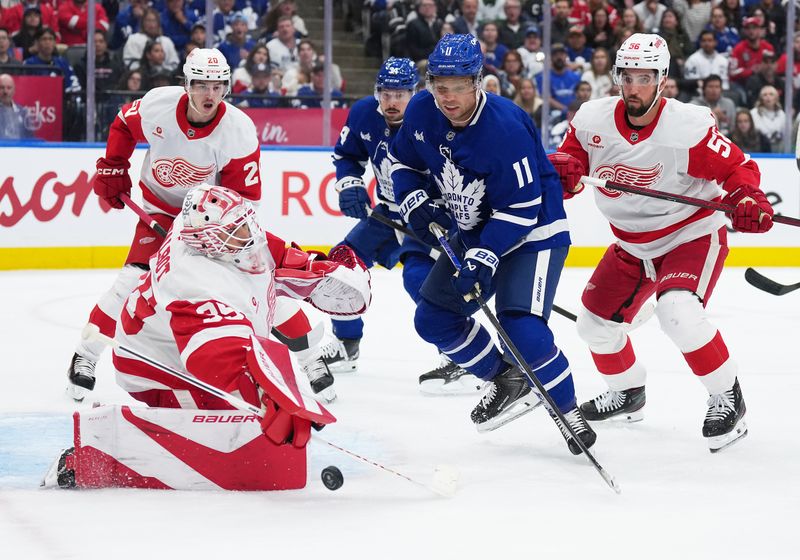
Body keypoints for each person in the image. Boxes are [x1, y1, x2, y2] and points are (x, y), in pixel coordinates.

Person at [44, 183, 370, 490]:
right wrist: (266, 398)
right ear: (212, 242)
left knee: (269, 313)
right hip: (156, 366)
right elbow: (216, 360)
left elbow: (259, 242)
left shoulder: (199, 231)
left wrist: (309, 263)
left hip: (172, 336)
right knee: (227, 413)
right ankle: (91, 456)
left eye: (246, 225)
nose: (249, 235)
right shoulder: (196, 282)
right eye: (238, 231)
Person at [67, 48, 334, 405]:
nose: (210, 94)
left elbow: (244, 199)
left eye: (218, 86)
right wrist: (114, 164)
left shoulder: (238, 130)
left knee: (261, 285)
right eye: (202, 85)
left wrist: (215, 230)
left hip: (214, 221)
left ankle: (312, 360)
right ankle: (85, 355)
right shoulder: (158, 105)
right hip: (160, 213)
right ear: (187, 85)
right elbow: (122, 124)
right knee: (130, 283)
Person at [553, 33, 771, 453]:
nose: (634, 87)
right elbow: (573, 165)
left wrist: (747, 199)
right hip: (632, 246)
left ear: (663, 78)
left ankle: (728, 397)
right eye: (627, 76)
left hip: (690, 234)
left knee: (677, 311)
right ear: (616, 76)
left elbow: (738, 169)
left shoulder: (686, 128)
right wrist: (565, 172)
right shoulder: (592, 120)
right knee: (593, 327)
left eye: (645, 77)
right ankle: (629, 392)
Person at [389, 34, 595, 454]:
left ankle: (567, 409)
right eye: (439, 86)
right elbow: (402, 162)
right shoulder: (422, 110)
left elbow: (523, 206)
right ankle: (507, 378)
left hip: (534, 232)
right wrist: (416, 202)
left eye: (459, 86)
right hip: (474, 231)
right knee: (433, 320)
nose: (447, 97)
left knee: (520, 327)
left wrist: (483, 257)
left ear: (478, 81)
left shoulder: (504, 126)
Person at [326, 57, 473, 393]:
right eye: (385, 93)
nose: (391, 102)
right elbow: (348, 155)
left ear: (415, 92)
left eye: (400, 94)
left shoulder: (435, 118)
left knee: (420, 281)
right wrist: (349, 183)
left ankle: (457, 354)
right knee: (339, 268)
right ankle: (347, 344)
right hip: (387, 213)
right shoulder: (365, 112)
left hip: (427, 215)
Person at [0, 73, 31, 139]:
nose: (5, 92)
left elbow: (30, 138)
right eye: (2, 87)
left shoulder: (23, 112)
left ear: (14, 91)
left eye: (9, 88)